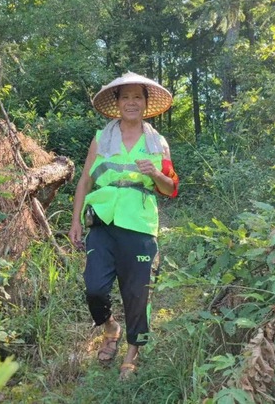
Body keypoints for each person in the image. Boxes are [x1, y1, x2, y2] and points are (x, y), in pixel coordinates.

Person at [68, 72, 179, 380]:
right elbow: (85, 181)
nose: (131, 102)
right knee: (95, 288)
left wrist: (155, 173)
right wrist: (75, 220)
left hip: (141, 226)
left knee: (138, 293)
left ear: (145, 103)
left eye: (137, 97)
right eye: (125, 97)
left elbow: (170, 188)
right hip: (102, 222)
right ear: (117, 103)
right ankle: (110, 327)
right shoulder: (102, 138)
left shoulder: (158, 142)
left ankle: (132, 352)